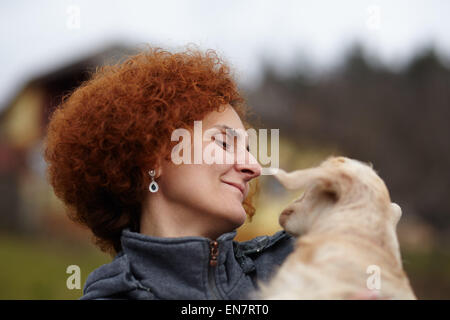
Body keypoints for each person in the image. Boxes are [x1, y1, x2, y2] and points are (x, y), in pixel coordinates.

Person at [43, 46, 295, 299]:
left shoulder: (296, 263)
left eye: (248, 150)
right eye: (224, 143)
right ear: (152, 158)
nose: (254, 167)